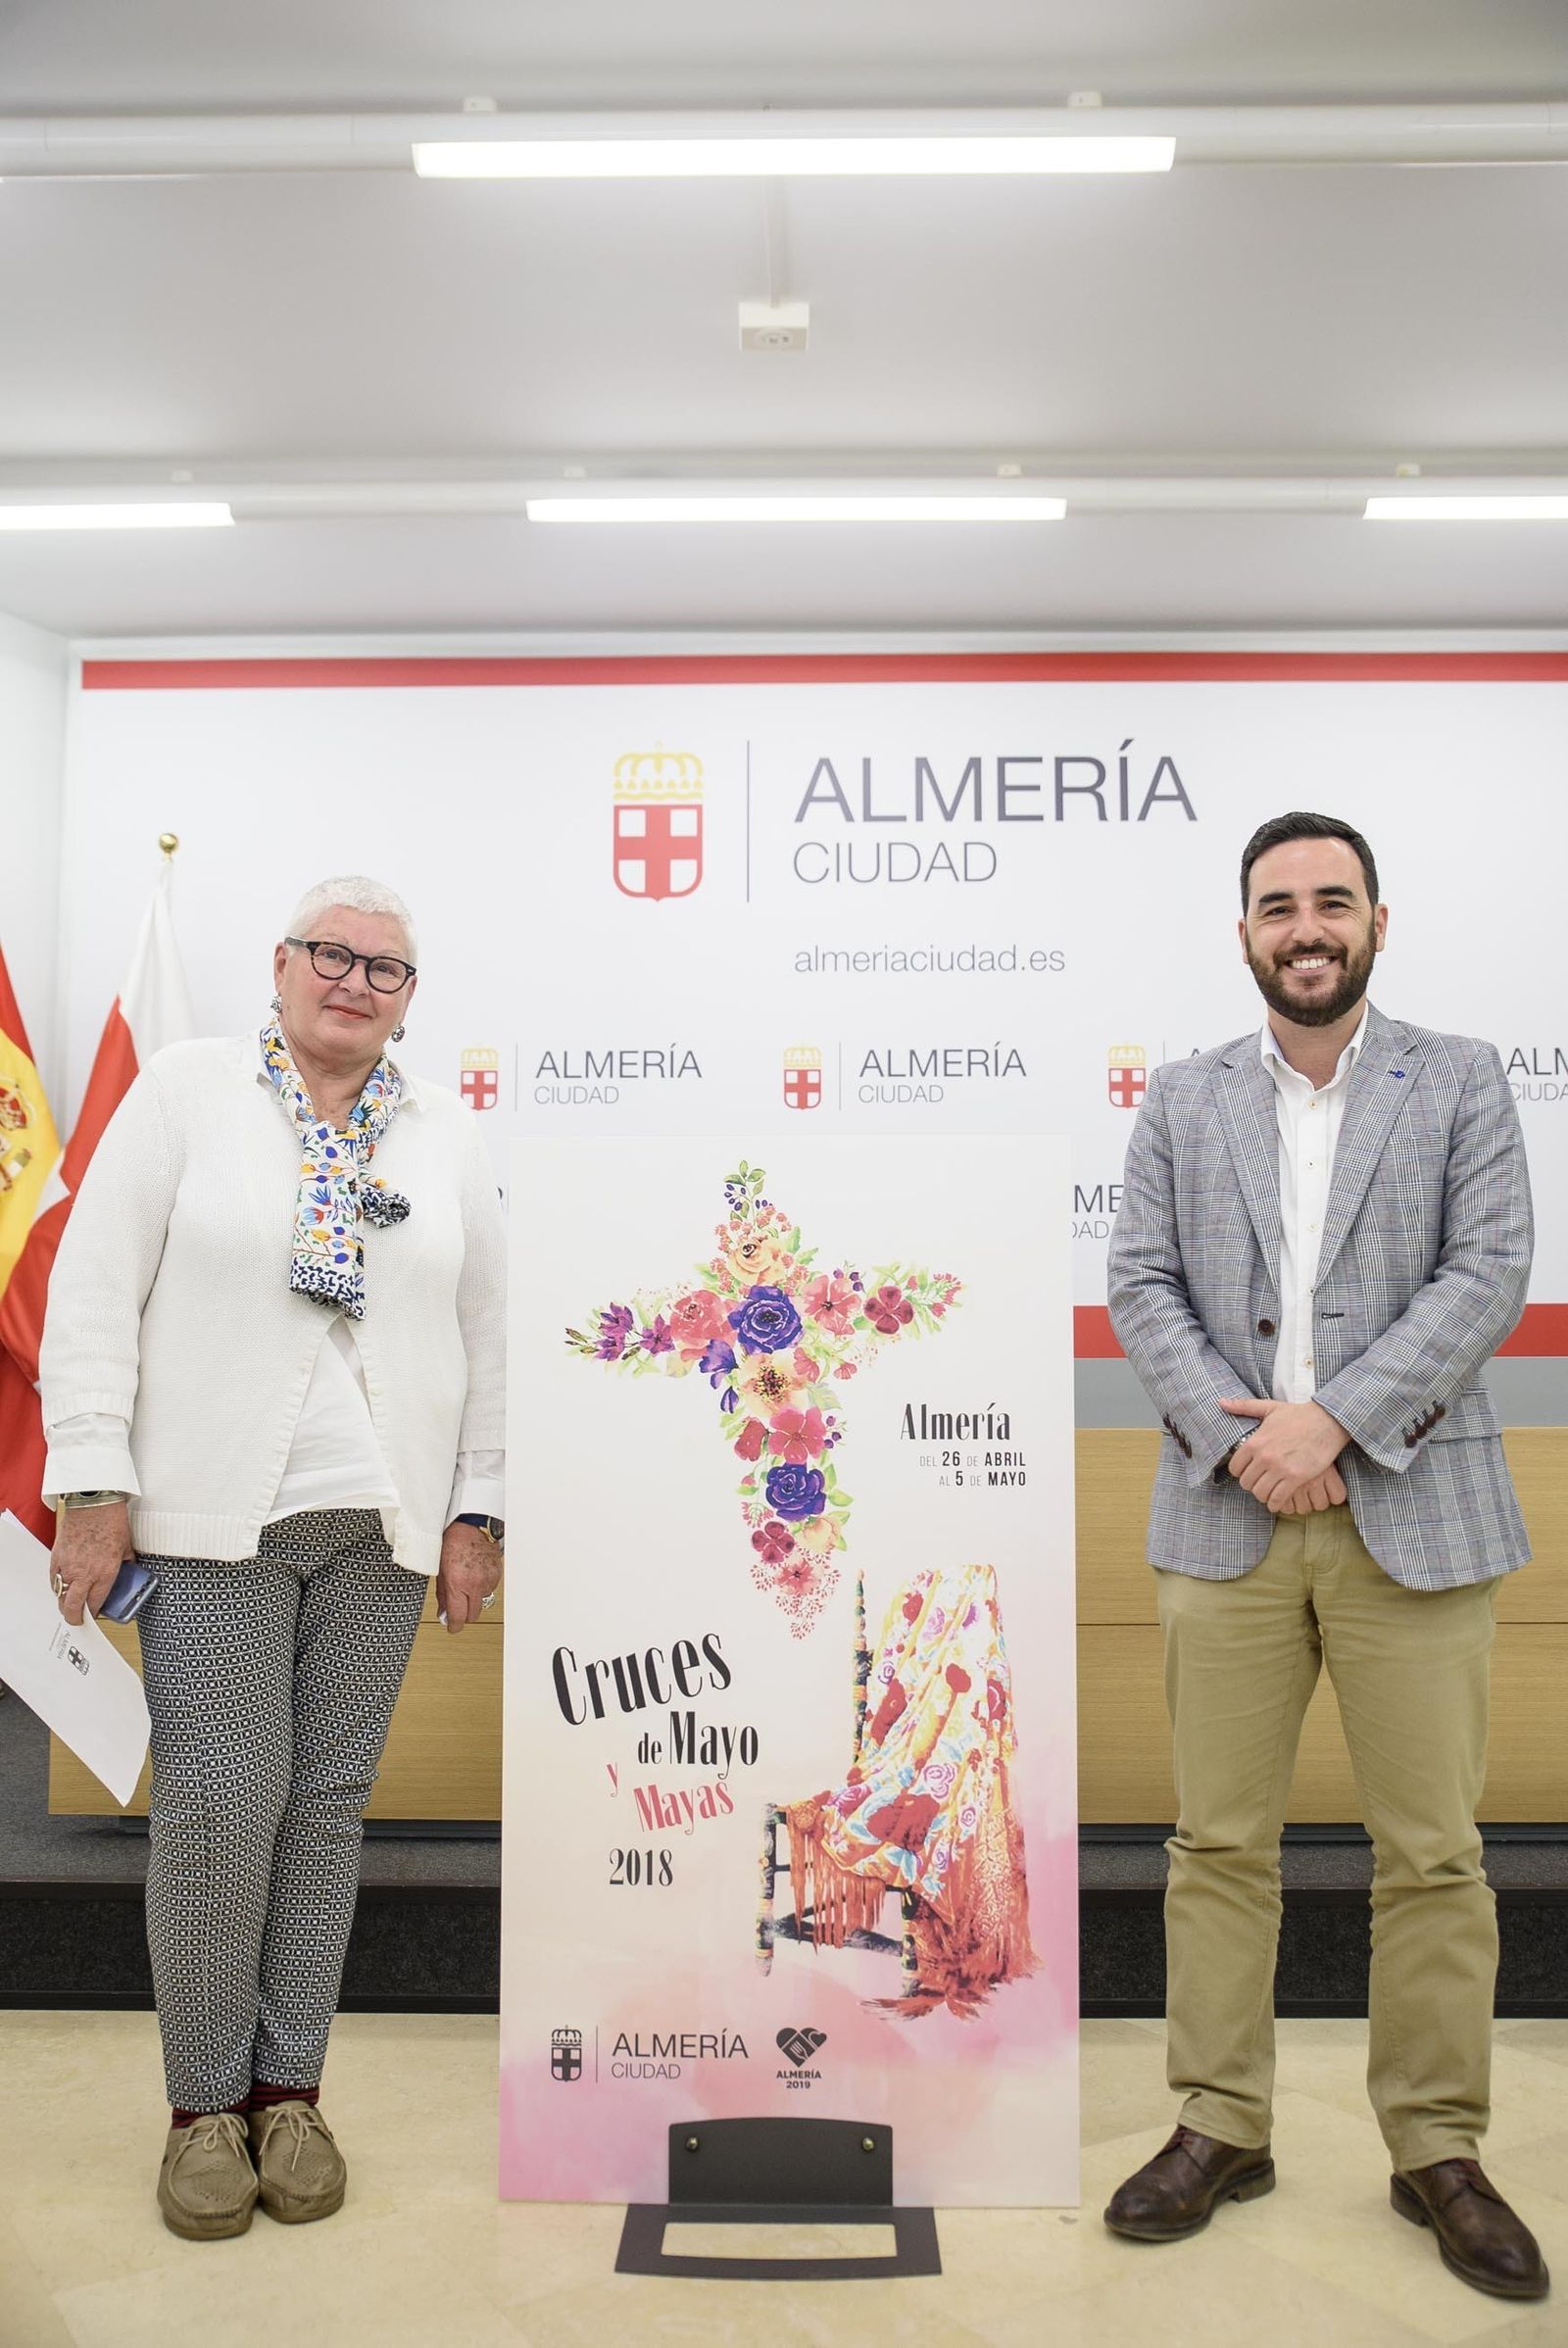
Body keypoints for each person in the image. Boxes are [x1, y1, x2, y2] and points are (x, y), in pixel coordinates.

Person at [1103, 811, 1547, 2304]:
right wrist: (1244, 1441)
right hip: (1224, 1514)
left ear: (1375, 923)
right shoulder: (1184, 1095)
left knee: (1434, 1854)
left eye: (1333, 902)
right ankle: (1220, 2123)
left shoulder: (1461, 1076)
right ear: (1244, 931)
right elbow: (1140, 1280)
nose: (1307, 927)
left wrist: (1333, 1424)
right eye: (1279, 904)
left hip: (1416, 1513)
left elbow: (1489, 1269)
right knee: (1217, 1844)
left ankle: (1438, 2147)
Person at [39, 876, 506, 2242]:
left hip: (380, 1535)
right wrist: (92, 1481)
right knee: (218, 1804)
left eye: (386, 967)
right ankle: (202, 2111)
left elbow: (489, 1335)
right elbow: (91, 1291)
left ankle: (288, 2094)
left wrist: (476, 1513)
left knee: (325, 1812)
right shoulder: (185, 1091)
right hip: (210, 1526)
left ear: (410, 998)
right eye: (331, 955)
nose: (355, 981)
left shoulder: (445, 1131)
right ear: (283, 964)